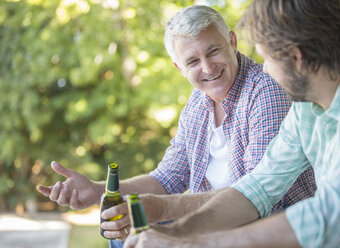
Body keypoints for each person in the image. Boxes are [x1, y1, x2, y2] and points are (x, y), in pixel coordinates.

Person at [37, 5, 316, 248]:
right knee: (123, 236)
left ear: (232, 41)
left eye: (213, 51)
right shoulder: (197, 103)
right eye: (193, 61)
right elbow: (168, 178)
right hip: (214, 225)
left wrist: (161, 211)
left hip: (265, 231)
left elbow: (256, 196)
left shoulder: (265, 91)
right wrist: (99, 192)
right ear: (179, 68)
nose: (207, 68)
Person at [124, 0, 340, 248]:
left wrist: (196, 243)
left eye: (268, 59)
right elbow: (259, 185)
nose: (265, 70)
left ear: (296, 57)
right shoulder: (306, 104)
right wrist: (178, 232)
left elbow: (328, 218)